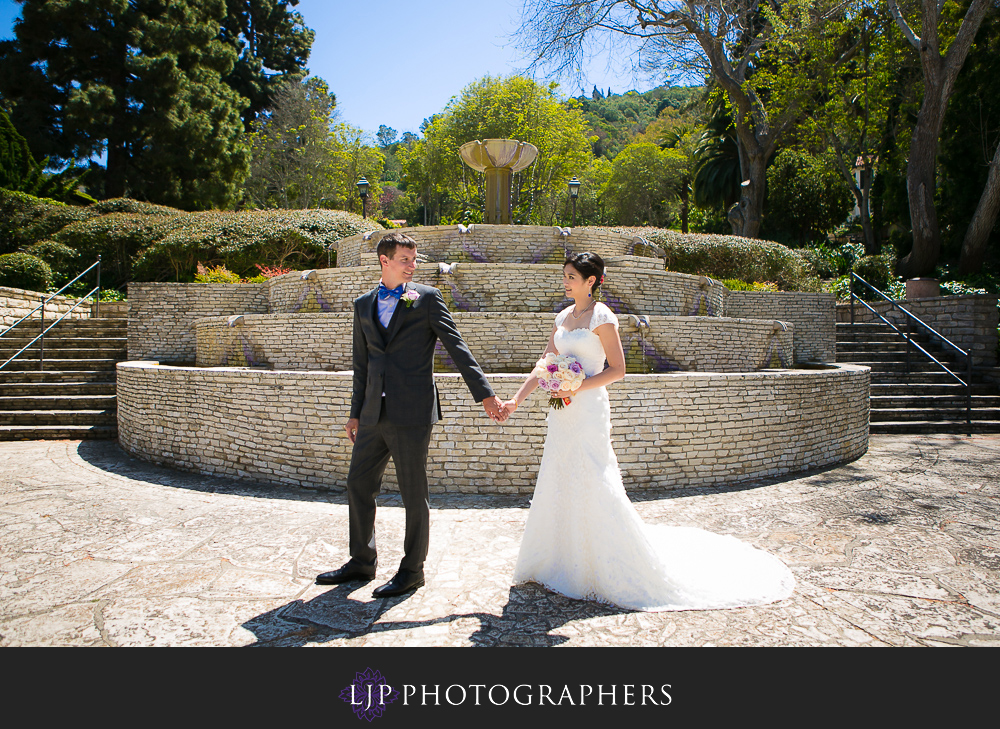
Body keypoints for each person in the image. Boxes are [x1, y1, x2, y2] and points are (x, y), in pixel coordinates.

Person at [501, 252, 795, 611]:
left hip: (588, 409)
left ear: (591, 281)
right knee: (558, 475)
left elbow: (618, 370)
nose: (565, 282)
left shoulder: (602, 316)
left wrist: (575, 387)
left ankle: (601, 565)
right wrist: (515, 399)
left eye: (571, 277)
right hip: (561, 413)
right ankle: (557, 559)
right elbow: (544, 364)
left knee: (592, 476)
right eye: (564, 276)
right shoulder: (563, 317)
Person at [317, 232, 506, 598]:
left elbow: (458, 347)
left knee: (412, 493)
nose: (413, 265)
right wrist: (355, 413)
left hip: (412, 412)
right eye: (405, 259)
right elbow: (362, 365)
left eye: (414, 259)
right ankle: (361, 561)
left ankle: (412, 570)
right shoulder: (362, 305)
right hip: (374, 411)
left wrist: (485, 395)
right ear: (384, 261)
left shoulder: (427, 299)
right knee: (358, 484)